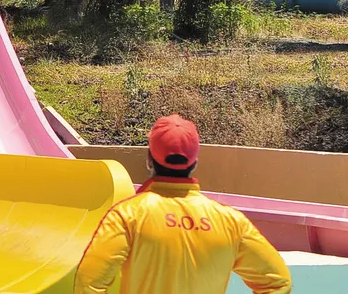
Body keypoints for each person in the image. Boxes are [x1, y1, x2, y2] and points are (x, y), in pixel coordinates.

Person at [74, 115, 291, 294]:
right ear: (194, 163)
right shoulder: (232, 222)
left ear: (149, 159)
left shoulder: (127, 216)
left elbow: (88, 284)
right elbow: (278, 283)